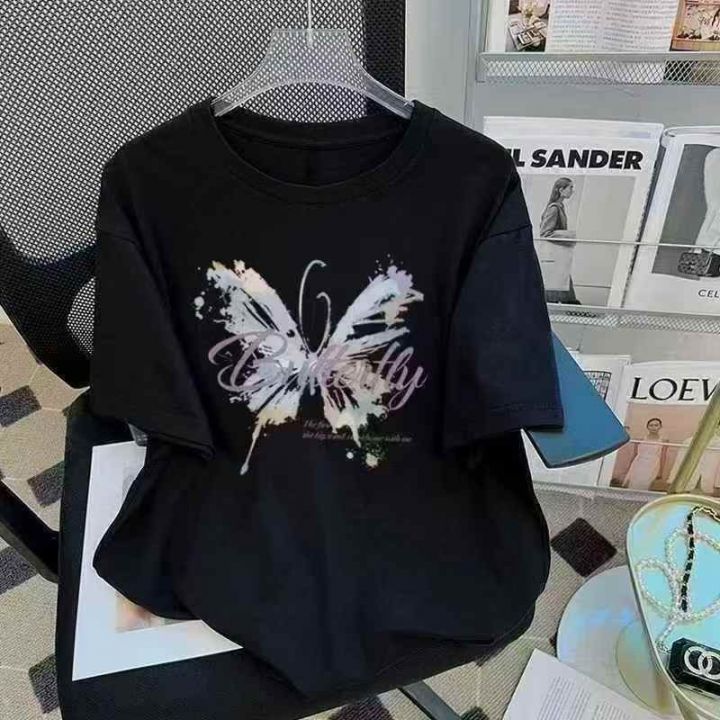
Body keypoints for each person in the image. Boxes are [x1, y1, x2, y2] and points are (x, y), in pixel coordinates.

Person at [537, 177, 579, 304]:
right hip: (555, 255)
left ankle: (571, 306)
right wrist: (569, 238)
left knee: (561, 283)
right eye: (570, 187)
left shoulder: (559, 207)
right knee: (561, 284)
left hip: (557, 255)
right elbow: (545, 233)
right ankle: (572, 307)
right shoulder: (554, 209)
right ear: (561, 190)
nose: (572, 191)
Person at [621, 418, 668, 491]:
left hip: (653, 464)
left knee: (646, 484)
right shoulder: (640, 439)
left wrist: (660, 472)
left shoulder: (664, 441)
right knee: (634, 483)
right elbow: (635, 454)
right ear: (647, 427)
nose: (653, 427)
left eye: (656, 425)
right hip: (639, 463)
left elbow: (663, 457)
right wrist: (629, 468)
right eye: (651, 425)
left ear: (660, 426)